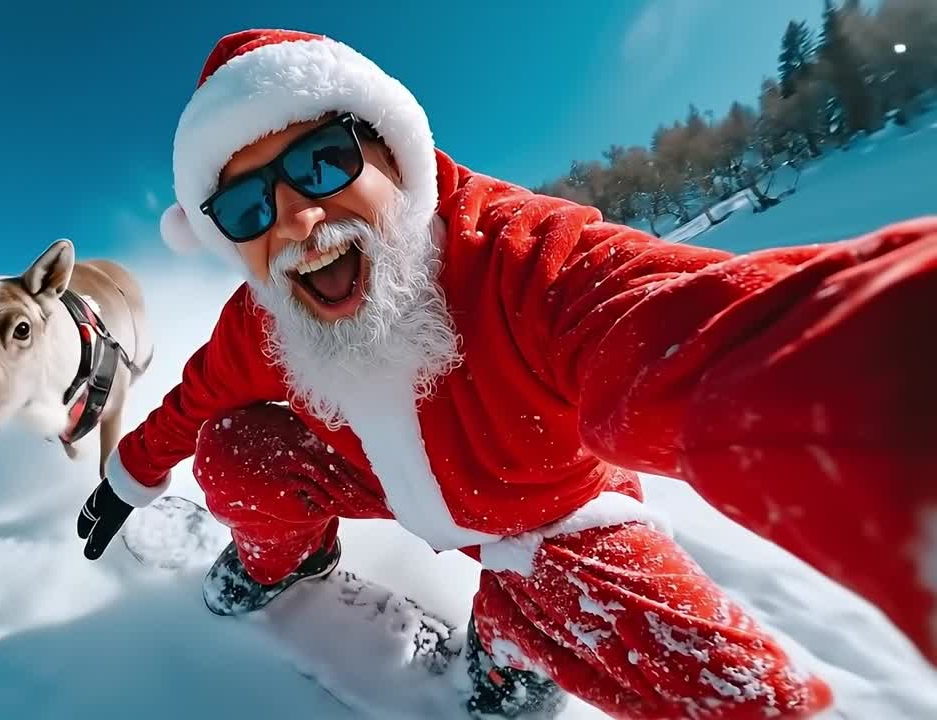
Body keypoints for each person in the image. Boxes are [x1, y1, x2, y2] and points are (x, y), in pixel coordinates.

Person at [75, 28, 937, 719]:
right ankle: (284, 564)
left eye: (321, 162)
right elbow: (195, 401)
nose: (297, 217)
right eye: (246, 207)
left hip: (540, 517)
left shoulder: (527, 260)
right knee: (234, 446)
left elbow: (714, 332)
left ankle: (514, 648)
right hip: (381, 480)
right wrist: (130, 476)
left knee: (731, 689)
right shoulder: (268, 319)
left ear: (393, 155)